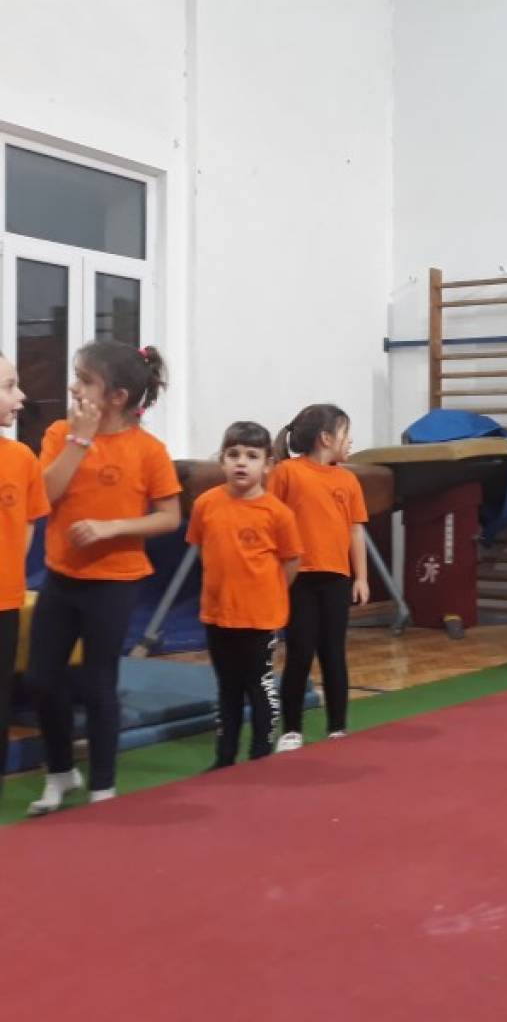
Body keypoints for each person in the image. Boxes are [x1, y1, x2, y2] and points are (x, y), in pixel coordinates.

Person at [28, 342, 181, 813]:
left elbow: (170, 517)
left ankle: (103, 785)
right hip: (61, 577)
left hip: (115, 582)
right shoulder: (60, 433)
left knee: (99, 683)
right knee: (41, 680)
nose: (73, 387)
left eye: (84, 380)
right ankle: (60, 772)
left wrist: (113, 527)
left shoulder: (148, 451)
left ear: (116, 397)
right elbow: (44, 496)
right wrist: (79, 440)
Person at [188, 422, 302, 768]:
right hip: (218, 613)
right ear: (222, 460)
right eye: (233, 454)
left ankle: (260, 755)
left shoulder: (277, 513)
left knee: (259, 684)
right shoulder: (206, 504)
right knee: (227, 687)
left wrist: (269, 593)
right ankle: (224, 758)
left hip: (259, 617)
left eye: (252, 456)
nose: (241, 462)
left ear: (268, 465)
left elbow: (291, 561)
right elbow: (202, 549)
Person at [269, 404, 369, 750]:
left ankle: (337, 726)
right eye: (345, 433)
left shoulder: (348, 479)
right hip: (299, 578)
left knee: (333, 653)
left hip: (336, 578)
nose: (350, 440)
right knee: (299, 652)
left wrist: (361, 577)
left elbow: (356, 530)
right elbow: (270, 519)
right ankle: (291, 729)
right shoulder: (287, 473)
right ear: (326, 438)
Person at [0, 355, 48, 796]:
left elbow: (27, 524)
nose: (21, 396)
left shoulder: (21, 459)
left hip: (5, 600)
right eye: (9, 386)